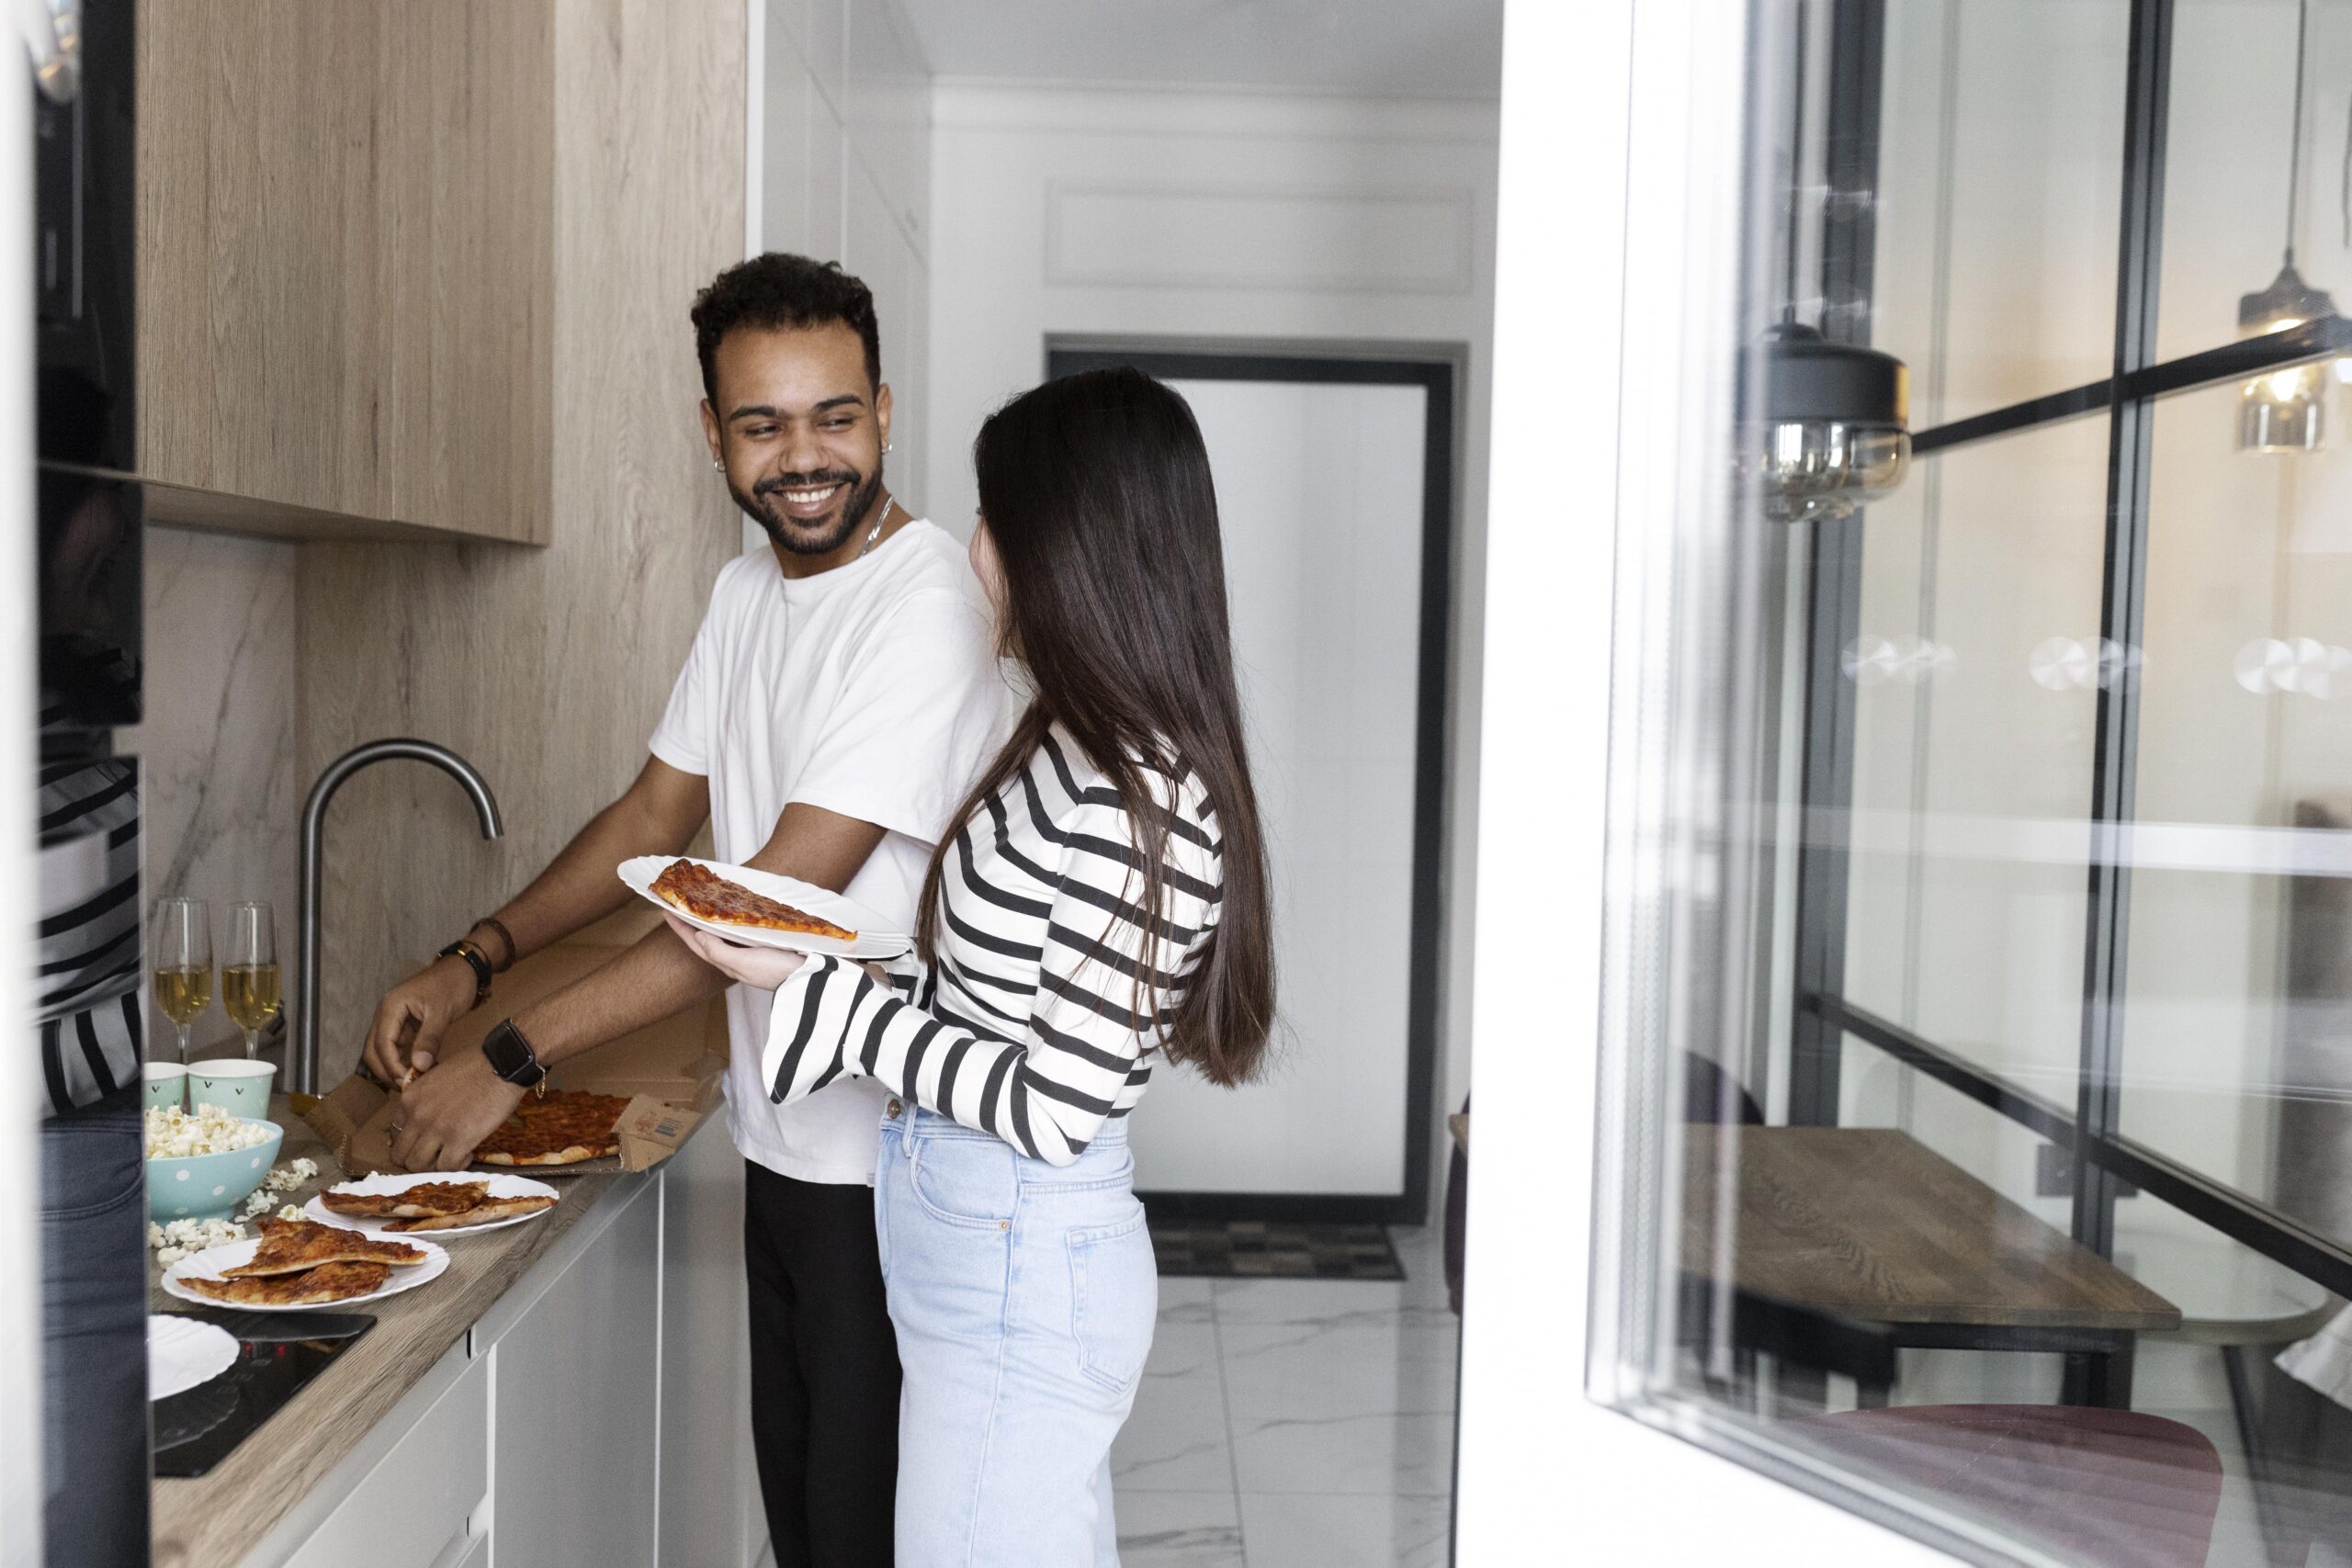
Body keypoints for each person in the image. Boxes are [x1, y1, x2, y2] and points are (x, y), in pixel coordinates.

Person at [359, 254, 1006, 1567]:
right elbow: (655, 815)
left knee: (859, 1539)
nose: (803, 458)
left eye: (835, 417)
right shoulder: (746, 591)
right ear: (713, 433)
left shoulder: (927, 605)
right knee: (808, 1530)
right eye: (763, 425)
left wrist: (510, 1058)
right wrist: (471, 960)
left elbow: (762, 902)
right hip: (787, 1143)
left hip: (896, 1170)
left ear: (885, 411)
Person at [668, 365, 1276, 1565]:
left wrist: (815, 994)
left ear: (1067, 547)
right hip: (972, 1246)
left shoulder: (1142, 802)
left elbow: (1054, 1105)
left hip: (1023, 1268)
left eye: (995, 518)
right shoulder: (1061, 739)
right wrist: (818, 963)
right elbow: (985, 999)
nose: (975, 547)